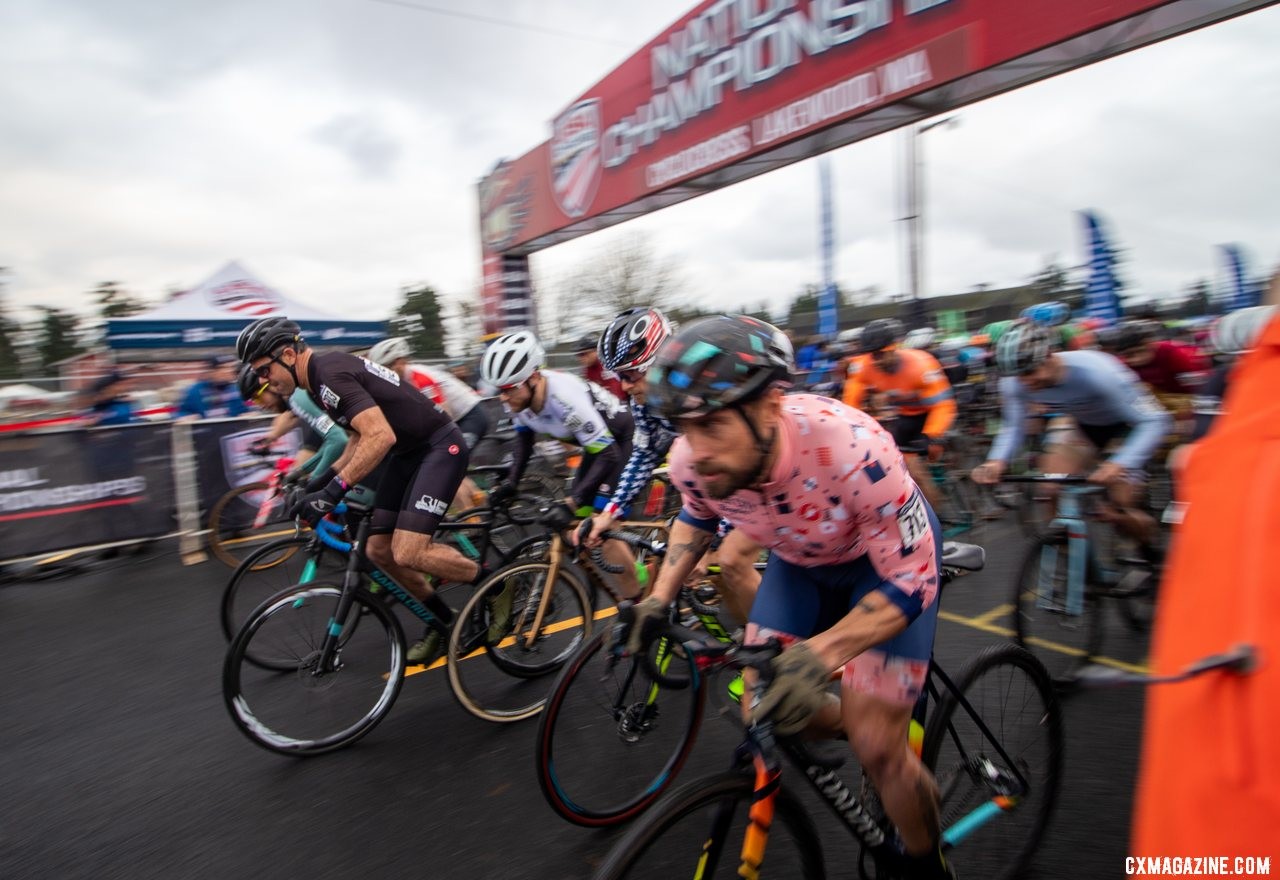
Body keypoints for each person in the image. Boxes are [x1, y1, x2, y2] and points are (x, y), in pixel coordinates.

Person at [625, 314, 953, 880]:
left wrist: (823, 655)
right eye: (685, 429)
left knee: (877, 747)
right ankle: (864, 712)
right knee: (763, 711)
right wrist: (658, 599)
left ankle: (927, 862)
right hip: (802, 563)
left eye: (713, 427)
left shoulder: (855, 448)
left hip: (883, 568)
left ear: (770, 408)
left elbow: (914, 580)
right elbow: (694, 519)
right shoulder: (691, 461)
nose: (696, 451)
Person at [1131, 273, 1280, 854]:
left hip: (1152, 417)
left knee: (1154, 469)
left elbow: (1172, 425)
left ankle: (1141, 541)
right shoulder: (1236, 373)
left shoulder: (1181, 357)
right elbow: (1207, 432)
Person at [236, 317, 483, 665]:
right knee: (378, 551)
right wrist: (316, 484)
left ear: (288, 355)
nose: (265, 382)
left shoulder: (328, 374)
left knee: (409, 551)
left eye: (264, 371)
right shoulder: (316, 382)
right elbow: (355, 437)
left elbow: (379, 436)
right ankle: (446, 622)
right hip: (409, 453)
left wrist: (332, 491)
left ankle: (494, 586)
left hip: (438, 447)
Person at [580, 307, 760, 625]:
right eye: (618, 376)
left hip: (755, 480)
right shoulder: (644, 402)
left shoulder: (704, 390)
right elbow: (644, 455)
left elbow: (739, 470)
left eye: (630, 375)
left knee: (728, 565)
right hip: (712, 485)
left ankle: (764, 647)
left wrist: (717, 537)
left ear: (660, 362)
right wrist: (611, 512)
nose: (623, 387)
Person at [970, 320, 1172, 558]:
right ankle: (1070, 563)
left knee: (1119, 501)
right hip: (1083, 426)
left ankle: (1148, 546)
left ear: (1048, 355)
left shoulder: (1099, 372)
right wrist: (996, 461)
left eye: (1029, 372)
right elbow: (1014, 425)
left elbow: (1155, 421)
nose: (1025, 382)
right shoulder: (1014, 381)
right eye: (1017, 375)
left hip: (1127, 427)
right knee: (1051, 486)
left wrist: (1120, 464)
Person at [480, 329, 640, 597]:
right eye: (500, 391)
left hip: (621, 441)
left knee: (603, 525)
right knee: (570, 527)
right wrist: (511, 483)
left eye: (509, 390)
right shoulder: (520, 399)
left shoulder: (563, 399)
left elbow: (609, 455)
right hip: (597, 448)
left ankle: (637, 601)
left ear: (533, 377)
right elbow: (524, 441)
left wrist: (573, 502)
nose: (503, 399)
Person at [842, 317, 956, 508]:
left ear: (895, 347)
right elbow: (849, 408)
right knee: (892, 465)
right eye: (871, 355)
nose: (875, 360)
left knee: (915, 469)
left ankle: (933, 520)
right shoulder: (863, 366)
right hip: (906, 416)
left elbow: (943, 406)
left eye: (880, 354)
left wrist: (932, 435)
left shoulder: (921, 365)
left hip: (932, 415)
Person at [369, 336, 490, 510]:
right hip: (455, 421)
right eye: (381, 369)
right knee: (445, 467)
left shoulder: (420, 378)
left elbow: (443, 417)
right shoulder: (397, 381)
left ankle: (474, 525)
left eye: (387, 367)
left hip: (471, 416)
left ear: (400, 362)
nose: (384, 373)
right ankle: (483, 507)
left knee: (444, 470)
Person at [236, 363, 349, 484]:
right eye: (254, 402)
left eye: (258, 398)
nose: (261, 406)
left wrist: (314, 480)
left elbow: (339, 440)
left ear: (270, 386)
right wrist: (269, 439)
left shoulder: (296, 396)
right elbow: (287, 416)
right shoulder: (293, 396)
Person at [176, 354, 250, 420]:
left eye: (231, 367)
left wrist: (252, 414)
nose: (229, 371)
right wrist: (185, 417)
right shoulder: (195, 391)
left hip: (234, 431)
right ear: (211, 371)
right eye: (223, 368)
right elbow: (180, 413)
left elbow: (247, 410)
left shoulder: (237, 390)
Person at [572, 332, 626, 401]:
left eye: (583, 354)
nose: (580, 358)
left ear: (596, 350)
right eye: (578, 355)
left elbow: (618, 395)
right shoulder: (588, 369)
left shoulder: (607, 364)